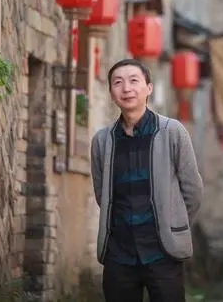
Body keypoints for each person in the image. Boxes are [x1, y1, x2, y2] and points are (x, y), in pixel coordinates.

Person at [90, 58, 204, 302]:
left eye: (134, 81)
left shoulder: (172, 132)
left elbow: (192, 191)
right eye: (118, 83)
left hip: (163, 251)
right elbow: (103, 194)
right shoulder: (103, 141)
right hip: (119, 253)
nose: (126, 88)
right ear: (111, 93)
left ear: (149, 88)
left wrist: (172, 223)